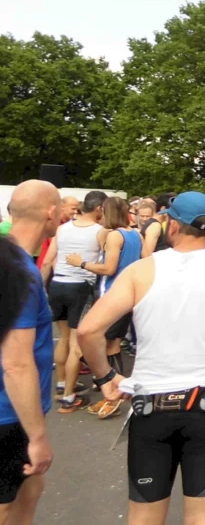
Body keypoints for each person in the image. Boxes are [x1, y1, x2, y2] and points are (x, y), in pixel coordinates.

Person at [77, 191, 205, 525]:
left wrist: (106, 378)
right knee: (203, 516)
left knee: (143, 515)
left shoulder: (142, 270)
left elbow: (87, 331)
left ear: (171, 225)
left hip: (151, 405)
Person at [0, 181, 60, 523]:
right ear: (50, 214)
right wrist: (37, 436)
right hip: (9, 414)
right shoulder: (19, 273)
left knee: (31, 489)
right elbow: (16, 364)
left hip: (14, 411)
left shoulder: (13, 260)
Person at [70, 196, 142, 419]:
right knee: (113, 346)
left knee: (85, 346)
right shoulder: (136, 234)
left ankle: (107, 395)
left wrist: (81, 263)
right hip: (129, 294)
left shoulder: (114, 236)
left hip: (111, 295)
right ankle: (112, 398)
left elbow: (109, 269)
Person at [44, 189, 108, 413]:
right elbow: (108, 264)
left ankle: (62, 385)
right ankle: (69, 398)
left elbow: (48, 260)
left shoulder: (62, 229)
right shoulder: (101, 232)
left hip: (58, 284)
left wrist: (42, 288)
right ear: (99, 208)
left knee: (63, 338)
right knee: (75, 344)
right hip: (80, 287)